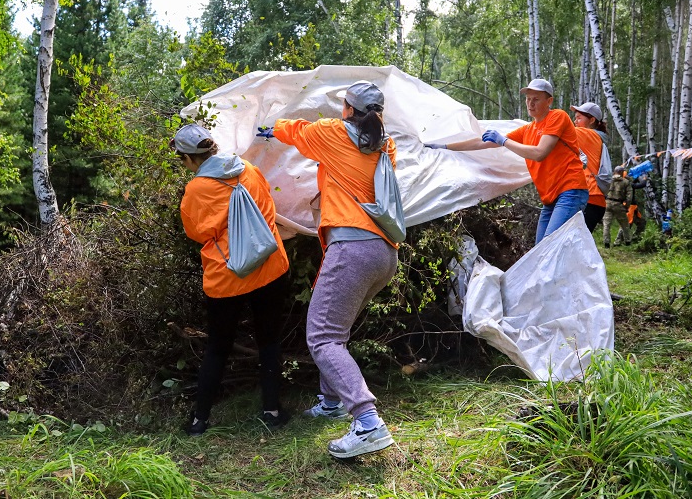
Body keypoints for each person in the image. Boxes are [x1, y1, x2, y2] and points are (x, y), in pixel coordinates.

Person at [257, 80, 398, 459]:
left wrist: (269, 128)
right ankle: (332, 402)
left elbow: (295, 131)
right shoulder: (386, 144)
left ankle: (368, 422)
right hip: (383, 254)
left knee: (322, 338)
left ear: (348, 109)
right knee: (337, 331)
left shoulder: (333, 132)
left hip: (353, 248)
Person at [171, 123, 291, 436]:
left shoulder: (197, 189)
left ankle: (199, 421)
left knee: (217, 348)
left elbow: (196, 232)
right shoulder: (248, 169)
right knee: (269, 340)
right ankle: (272, 411)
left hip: (227, 277)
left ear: (189, 159)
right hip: (270, 266)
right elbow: (268, 204)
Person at [426, 78, 588, 244]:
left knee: (549, 246)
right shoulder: (528, 130)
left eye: (536, 99)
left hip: (570, 190)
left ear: (549, 101)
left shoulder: (557, 116)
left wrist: (503, 141)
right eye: (528, 99)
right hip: (550, 198)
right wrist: (445, 146)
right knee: (542, 248)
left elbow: (540, 153)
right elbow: (482, 142)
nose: (530, 103)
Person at [571, 101, 610, 232]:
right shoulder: (596, 137)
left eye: (579, 118)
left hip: (590, 198)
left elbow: (558, 130)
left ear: (592, 120)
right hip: (593, 199)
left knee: (573, 241)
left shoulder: (589, 135)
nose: (575, 121)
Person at [603, 166, 633, 247]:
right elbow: (629, 197)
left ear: (614, 171)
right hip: (618, 204)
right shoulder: (625, 182)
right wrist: (626, 207)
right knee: (624, 224)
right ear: (621, 172)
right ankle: (627, 241)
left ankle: (606, 243)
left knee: (606, 224)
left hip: (607, 203)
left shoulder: (608, 180)